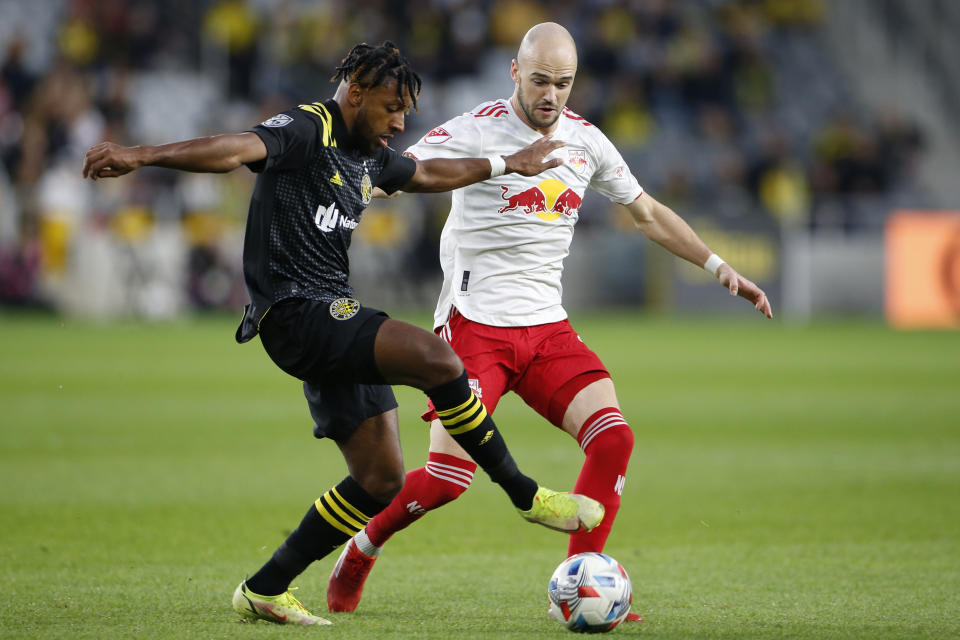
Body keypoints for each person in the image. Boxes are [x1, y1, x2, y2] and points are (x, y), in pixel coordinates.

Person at [82, 41, 604, 627]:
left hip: (332, 313)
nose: (401, 122)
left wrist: (511, 164)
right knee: (441, 360)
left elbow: (430, 171)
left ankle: (265, 587)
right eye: (390, 107)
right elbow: (235, 150)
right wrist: (142, 155)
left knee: (379, 480)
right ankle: (526, 494)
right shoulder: (310, 127)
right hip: (296, 313)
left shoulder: (370, 154)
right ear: (354, 93)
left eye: (405, 110)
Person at [325, 24, 774, 622]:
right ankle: (361, 546)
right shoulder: (472, 129)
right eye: (540, 80)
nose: (551, 95)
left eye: (563, 84)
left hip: (547, 331)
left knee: (614, 438)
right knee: (446, 479)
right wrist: (338, 195)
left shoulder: (587, 141)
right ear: (514, 71)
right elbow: (394, 171)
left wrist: (719, 266)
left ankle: (580, 580)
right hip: (474, 326)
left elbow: (645, 212)